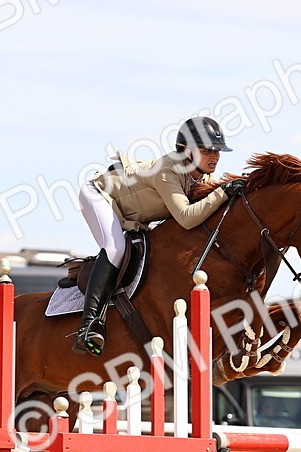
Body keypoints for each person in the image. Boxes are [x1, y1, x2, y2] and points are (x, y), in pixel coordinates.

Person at [72, 116, 248, 355]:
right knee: (116, 250)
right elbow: (186, 217)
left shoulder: (202, 177)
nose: (215, 156)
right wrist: (222, 194)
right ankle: (89, 326)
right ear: (187, 150)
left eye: (217, 151)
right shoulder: (168, 170)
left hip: (131, 210)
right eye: (207, 150)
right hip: (99, 196)